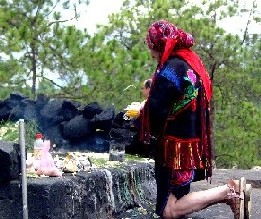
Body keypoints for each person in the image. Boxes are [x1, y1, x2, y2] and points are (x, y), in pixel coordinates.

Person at [138, 20, 250, 219]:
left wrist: (141, 115)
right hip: (189, 146)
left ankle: (229, 192)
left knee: (168, 210)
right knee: (173, 203)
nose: (151, 53)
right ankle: (229, 192)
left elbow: (155, 109)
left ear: (157, 45)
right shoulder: (191, 62)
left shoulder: (170, 69)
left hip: (174, 150)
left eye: (151, 47)